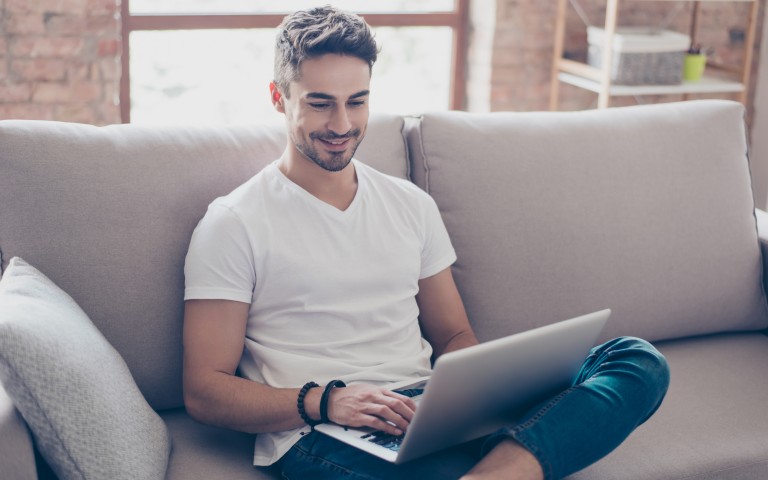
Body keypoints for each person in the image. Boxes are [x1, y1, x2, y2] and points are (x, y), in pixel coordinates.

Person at [182, 6, 670, 480]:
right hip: (321, 431)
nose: (342, 125)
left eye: (357, 101)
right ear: (277, 96)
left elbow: (453, 335)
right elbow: (205, 391)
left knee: (636, 360)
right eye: (319, 102)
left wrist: (471, 398)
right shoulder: (234, 223)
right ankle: (516, 461)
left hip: (425, 409)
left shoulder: (409, 204)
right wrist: (327, 400)